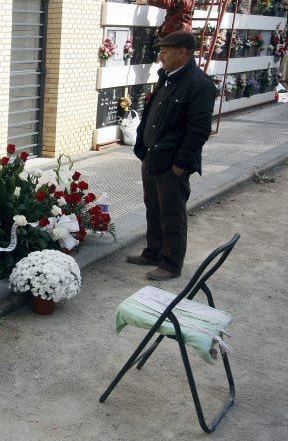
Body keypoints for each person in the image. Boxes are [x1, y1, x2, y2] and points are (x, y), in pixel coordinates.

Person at [127, 31, 216, 281]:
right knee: (153, 209)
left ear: (183, 52)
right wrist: (143, 151)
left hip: (172, 165)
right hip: (152, 159)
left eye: (166, 49)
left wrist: (180, 165)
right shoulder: (167, 79)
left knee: (172, 215)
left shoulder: (199, 85)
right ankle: (153, 253)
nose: (161, 54)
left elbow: (198, 131)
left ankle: (170, 264)